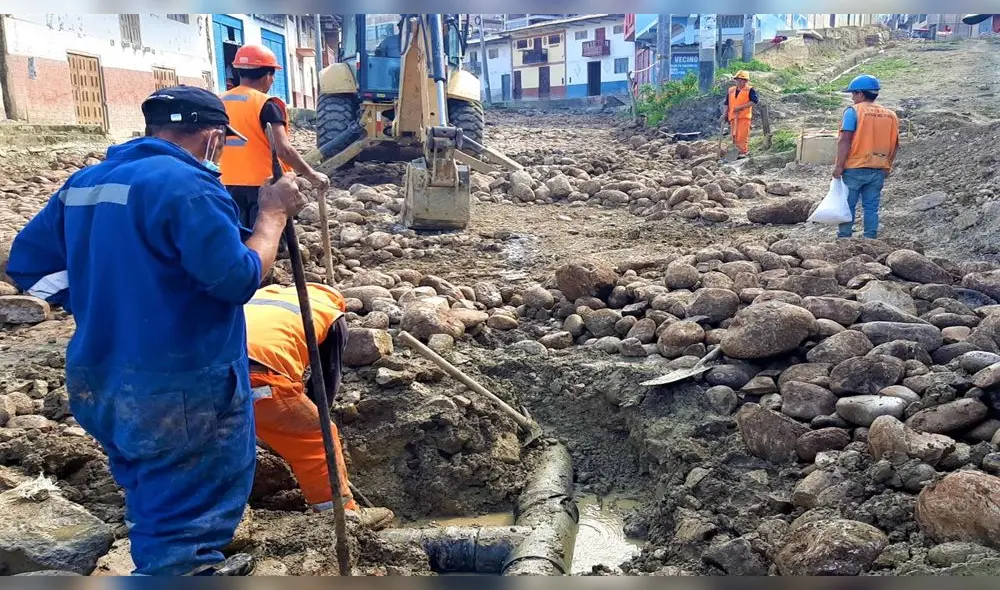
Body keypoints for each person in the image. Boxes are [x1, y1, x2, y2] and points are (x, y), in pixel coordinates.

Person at [5, 85, 307, 577]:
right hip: (180, 385)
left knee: (151, 490)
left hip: (99, 377)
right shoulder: (190, 187)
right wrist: (271, 216)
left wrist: (102, 301)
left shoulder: (84, 182)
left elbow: (30, 269)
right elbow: (237, 279)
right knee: (184, 529)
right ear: (212, 138)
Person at [244, 283, 394, 530]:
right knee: (317, 436)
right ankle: (341, 517)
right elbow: (325, 383)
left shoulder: (259, 297)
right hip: (259, 378)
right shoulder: (330, 313)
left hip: (200, 377)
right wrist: (294, 427)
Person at [219, 44, 330, 230]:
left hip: (226, 182)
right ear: (268, 76)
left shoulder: (219, 101)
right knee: (267, 240)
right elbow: (283, 149)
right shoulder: (266, 104)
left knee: (238, 238)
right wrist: (312, 175)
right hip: (265, 185)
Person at [834, 74, 900, 239]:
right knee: (871, 207)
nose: (852, 97)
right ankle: (870, 238)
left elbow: (845, 139)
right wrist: (888, 165)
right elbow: (896, 144)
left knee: (847, 206)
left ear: (860, 94)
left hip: (855, 167)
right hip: (878, 168)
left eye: (853, 94)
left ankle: (844, 238)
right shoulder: (890, 115)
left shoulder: (853, 111)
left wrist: (839, 166)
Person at [722, 70, 758, 158]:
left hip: (744, 117)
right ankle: (735, 152)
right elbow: (727, 103)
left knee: (742, 136)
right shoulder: (731, 90)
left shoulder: (749, 90)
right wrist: (724, 114)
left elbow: (754, 102)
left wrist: (741, 107)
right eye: (737, 80)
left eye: (741, 80)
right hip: (733, 117)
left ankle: (742, 152)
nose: (739, 81)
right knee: (734, 136)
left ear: (746, 81)